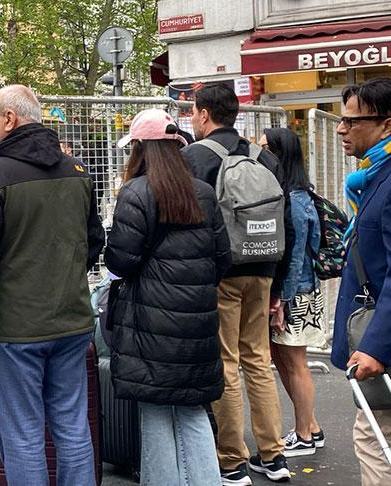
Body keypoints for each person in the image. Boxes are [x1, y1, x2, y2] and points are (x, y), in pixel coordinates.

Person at [0, 85, 106, 485]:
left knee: (21, 434)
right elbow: (94, 242)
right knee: (72, 427)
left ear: (10, 119)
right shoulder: (76, 172)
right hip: (71, 322)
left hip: (14, 330)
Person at [104, 108, 231, 486]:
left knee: (156, 413)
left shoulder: (137, 192)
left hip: (150, 325)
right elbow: (222, 258)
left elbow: (121, 260)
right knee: (192, 412)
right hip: (198, 322)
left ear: (141, 148)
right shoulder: (203, 193)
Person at [182, 83, 292, 484]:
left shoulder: (194, 157)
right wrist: (277, 284)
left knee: (226, 363)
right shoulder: (265, 157)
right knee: (258, 360)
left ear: (205, 114)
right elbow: (287, 221)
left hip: (221, 273)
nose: (192, 119)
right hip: (264, 268)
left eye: (193, 113)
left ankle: (232, 460)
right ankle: (273, 455)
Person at [331, 78, 391, 485]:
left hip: (382, 352)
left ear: (386, 125)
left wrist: (375, 347)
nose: (340, 129)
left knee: (374, 442)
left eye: (351, 122)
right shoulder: (374, 177)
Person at [260, 127, 327, 458]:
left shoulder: (296, 200)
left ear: (279, 153)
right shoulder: (296, 194)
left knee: (296, 361)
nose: (260, 156)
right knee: (283, 358)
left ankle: (305, 434)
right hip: (294, 291)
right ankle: (310, 427)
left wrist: (282, 301)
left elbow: (296, 255)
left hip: (295, 294)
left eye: (266, 149)